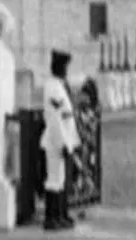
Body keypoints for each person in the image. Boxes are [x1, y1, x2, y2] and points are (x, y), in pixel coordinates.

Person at [40, 49, 81, 232]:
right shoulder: (52, 88)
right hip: (55, 141)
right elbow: (55, 119)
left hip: (63, 139)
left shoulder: (58, 86)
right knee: (54, 180)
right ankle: (51, 218)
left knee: (61, 179)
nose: (66, 71)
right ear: (57, 68)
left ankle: (60, 215)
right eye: (64, 67)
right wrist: (62, 142)